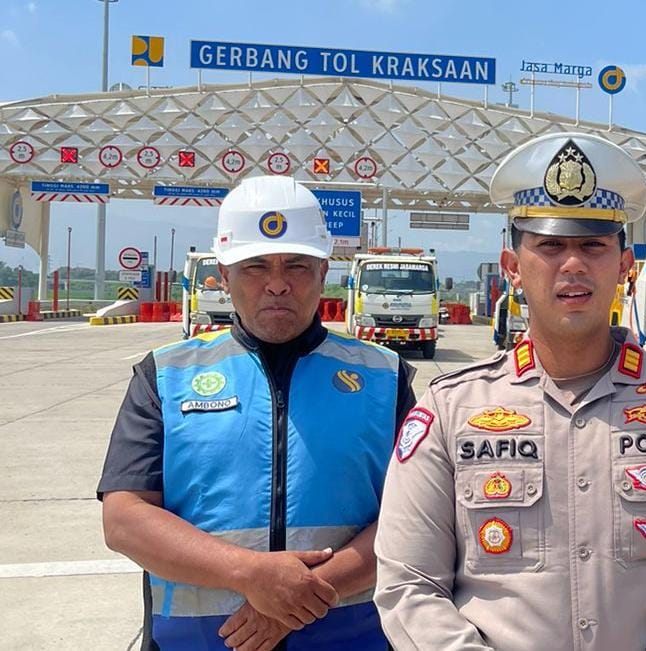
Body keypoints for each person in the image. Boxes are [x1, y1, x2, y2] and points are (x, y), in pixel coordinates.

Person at [374, 132, 646, 650]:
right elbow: (410, 583)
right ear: (512, 268)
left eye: (593, 245)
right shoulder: (450, 409)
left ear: (625, 267)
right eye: (550, 245)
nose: (573, 264)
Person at [98, 175, 416, 650]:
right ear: (223, 276)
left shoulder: (385, 379)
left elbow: (416, 517)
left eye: (297, 265)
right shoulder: (165, 376)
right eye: (254, 266)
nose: (277, 284)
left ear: (324, 271)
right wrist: (250, 575)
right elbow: (124, 518)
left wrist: (298, 599)